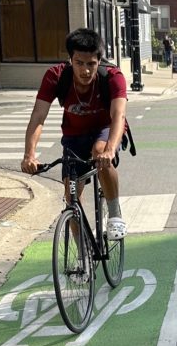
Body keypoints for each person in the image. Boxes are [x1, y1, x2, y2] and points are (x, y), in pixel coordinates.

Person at [21, 28, 127, 240]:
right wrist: (29, 155)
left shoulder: (112, 77)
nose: (85, 70)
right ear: (70, 60)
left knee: (99, 152)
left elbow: (118, 115)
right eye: (79, 63)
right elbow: (38, 115)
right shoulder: (56, 76)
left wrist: (109, 150)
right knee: (71, 199)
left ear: (99, 61)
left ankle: (115, 214)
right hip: (74, 135)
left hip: (105, 129)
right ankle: (81, 255)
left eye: (91, 64)